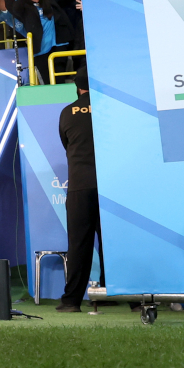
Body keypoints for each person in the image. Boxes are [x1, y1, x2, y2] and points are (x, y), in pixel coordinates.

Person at [56, 68, 103, 312]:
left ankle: (72, 301)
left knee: (79, 245)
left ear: (78, 87)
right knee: (112, 243)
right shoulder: (109, 108)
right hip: (110, 186)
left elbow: (66, 144)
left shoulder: (67, 112)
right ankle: (131, 300)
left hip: (79, 184)